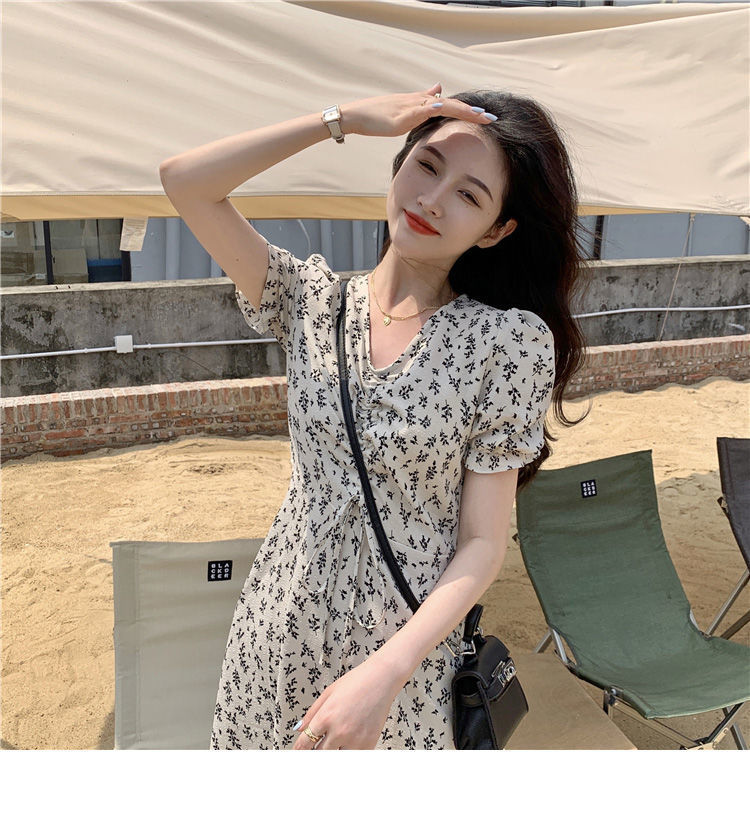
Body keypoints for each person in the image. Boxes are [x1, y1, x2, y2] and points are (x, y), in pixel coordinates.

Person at [159, 83, 591, 750]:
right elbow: (185, 182)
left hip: (400, 666)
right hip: (273, 635)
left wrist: (386, 673)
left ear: (497, 230)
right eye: (427, 165)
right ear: (399, 165)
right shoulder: (307, 301)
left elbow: (483, 543)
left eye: (469, 195)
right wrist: (342, 119)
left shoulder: (506, 343)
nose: (432, 199)